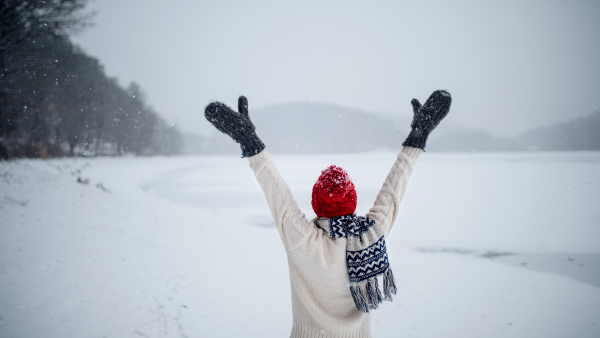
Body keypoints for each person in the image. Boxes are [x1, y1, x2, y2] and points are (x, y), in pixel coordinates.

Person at [204, 90, 452, 338]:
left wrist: (251, 142)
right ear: (352, 201)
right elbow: (393, 191)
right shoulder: (370, 234)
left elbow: (277, 192)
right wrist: (416, 140)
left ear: (316, 203)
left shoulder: (302, 239)